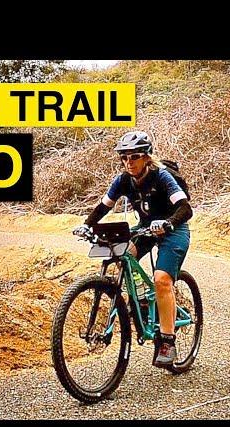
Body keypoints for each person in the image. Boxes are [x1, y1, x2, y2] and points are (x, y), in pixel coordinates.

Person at [73, 131, 193, 368]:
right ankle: (143, 301)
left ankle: (167, 340)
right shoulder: (123, 181)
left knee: (161, 280)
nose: (129, 162)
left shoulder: (162, 177)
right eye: (124, 158)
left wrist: (168, 223)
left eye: (135, 156)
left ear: (147, 157)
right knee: (122, 255)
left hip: (173, 229)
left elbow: (185, 209)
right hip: (146, 228)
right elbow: (103, 207)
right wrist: (86, 225)